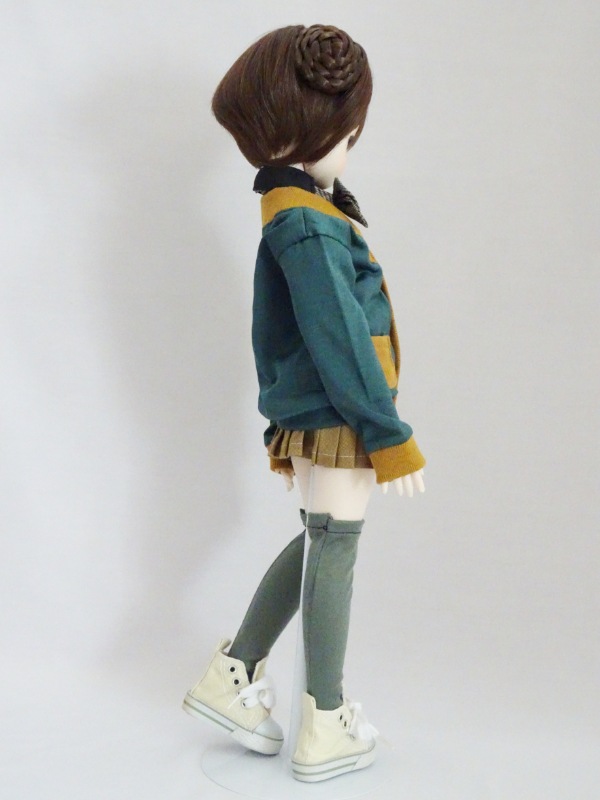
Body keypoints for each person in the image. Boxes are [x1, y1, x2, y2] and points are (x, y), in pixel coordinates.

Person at [181, 23, 426, 783]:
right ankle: (325, 720)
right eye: (347, 136)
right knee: (336, 548)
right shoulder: (307, 224)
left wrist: (283, 424)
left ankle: (232, 674)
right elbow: (338, 337)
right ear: (309, 131)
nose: (349, 149)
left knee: (322, 540)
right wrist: (388, 433)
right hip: (343, 414)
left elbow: (286, 337)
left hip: (324, 411)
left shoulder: (297, 212)